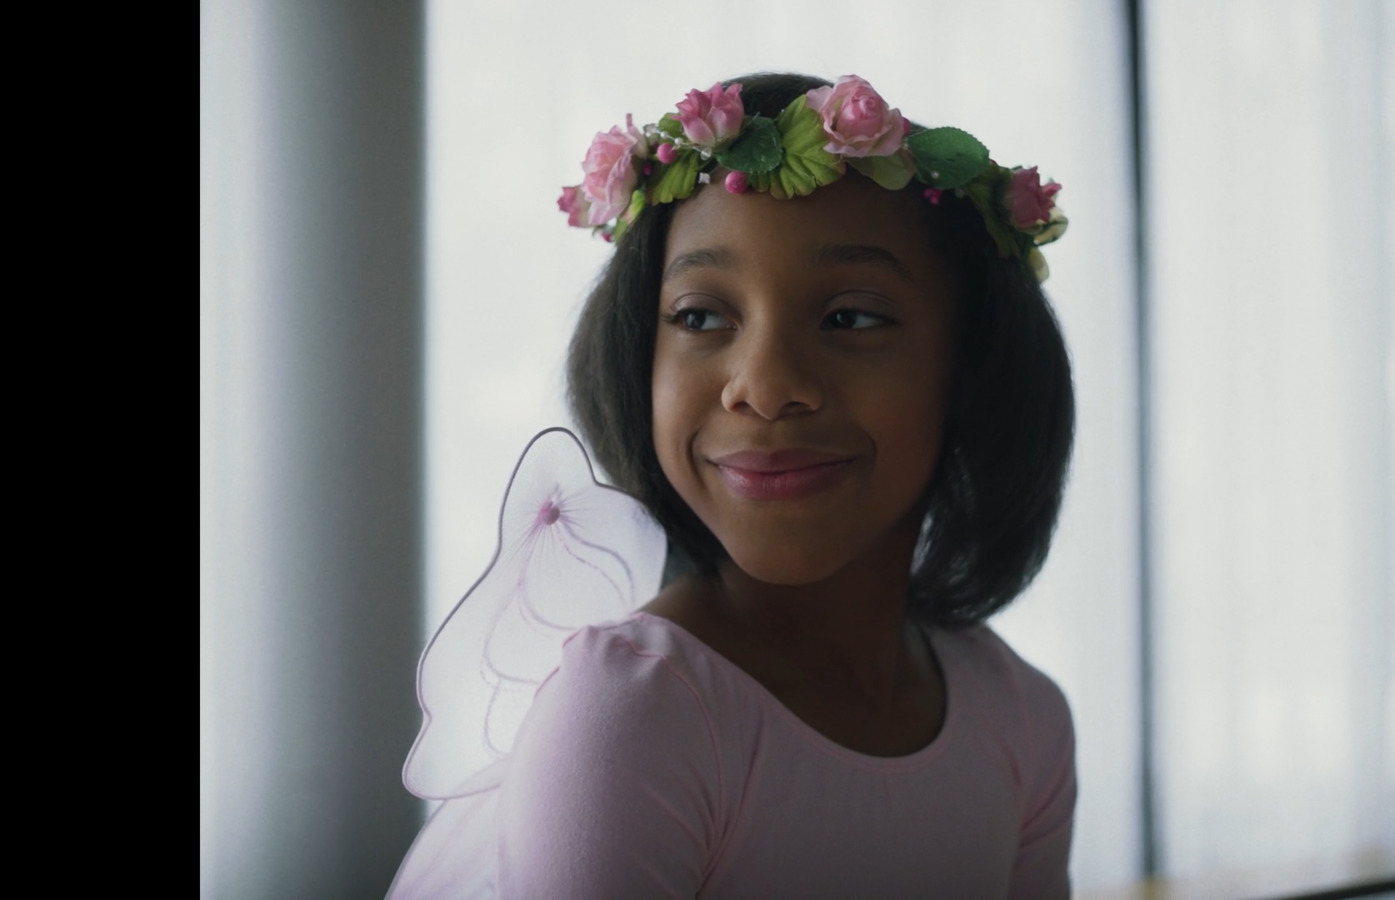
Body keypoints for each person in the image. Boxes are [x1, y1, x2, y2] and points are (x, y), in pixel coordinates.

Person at [393, 72, 1077, 898]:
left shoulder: (1022, 720)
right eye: (700, 316)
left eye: (851, 318)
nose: (763, 385)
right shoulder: (635, 715)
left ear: (975, 367)